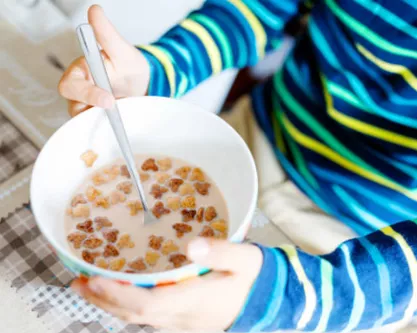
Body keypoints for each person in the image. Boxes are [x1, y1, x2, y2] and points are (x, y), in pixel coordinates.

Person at [58, 2, 417, 332]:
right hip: (251, 135)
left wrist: (286, 299)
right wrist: (159, 68)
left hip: (365, 249)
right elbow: (258, 9)